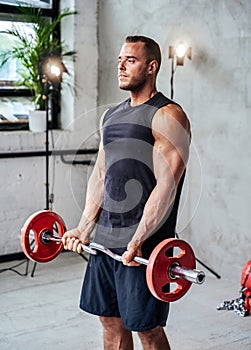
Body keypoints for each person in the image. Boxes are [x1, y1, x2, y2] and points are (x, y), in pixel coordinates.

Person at [62, 35, 190, 350]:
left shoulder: (168, 115)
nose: (120, 66)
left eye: (130, 60)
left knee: (147, 328)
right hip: (106, 240)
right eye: (120, 59)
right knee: (110, 322)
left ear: (151, 67)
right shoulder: (112, 115)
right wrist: (84, 226)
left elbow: (167, 185)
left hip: (143, 246)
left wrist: (138, 239)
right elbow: (101, 175)